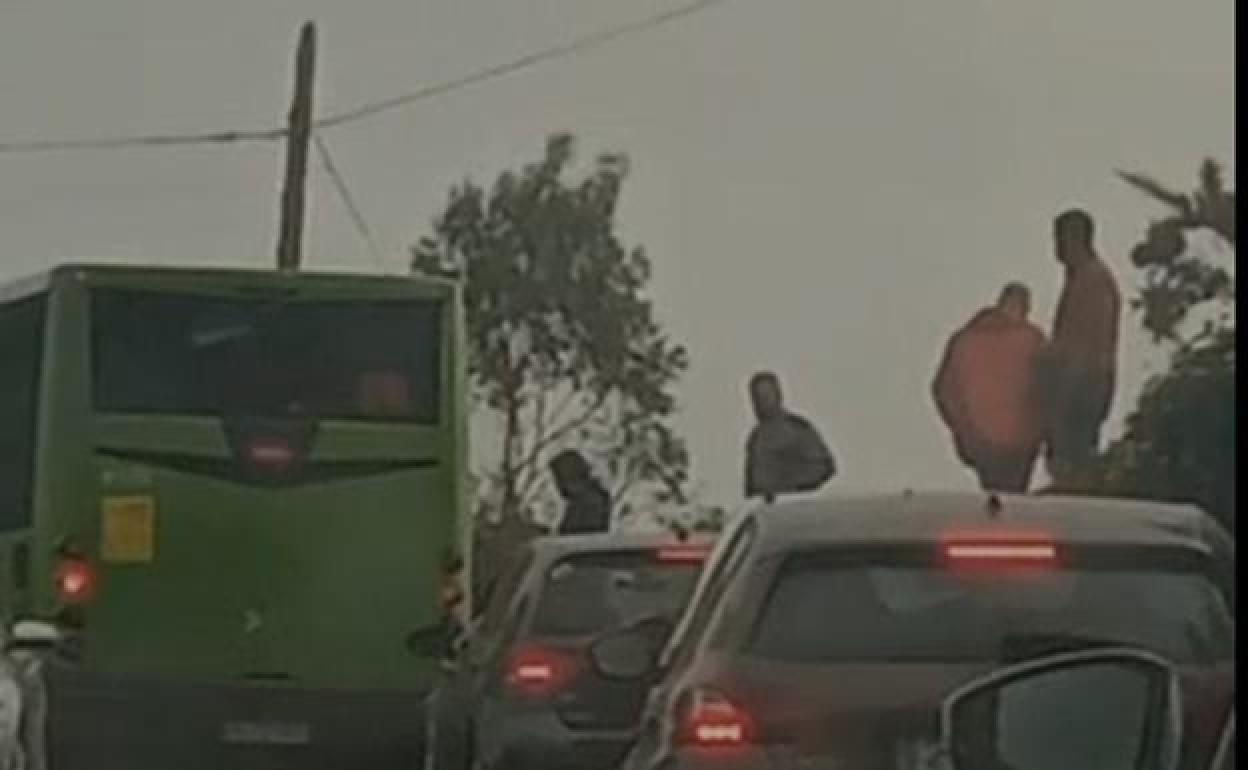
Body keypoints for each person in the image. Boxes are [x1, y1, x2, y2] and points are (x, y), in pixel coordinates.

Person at [932, 283, 1048, 493]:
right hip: (1021, 441)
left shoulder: (964, 340)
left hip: (983, 442)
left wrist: (965, 431)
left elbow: (944, 391)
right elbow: (1049, 387)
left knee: (994, 501)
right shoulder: (1032, 340)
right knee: (1014, 503)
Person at [1044, 209, 1122, 488]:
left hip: (1081, 388)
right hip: (1079, 386)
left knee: (1074, 467)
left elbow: (1087, 347)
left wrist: (1060, 403)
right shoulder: (1081, 278)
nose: (1056, 248)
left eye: (1059, 239)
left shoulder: (1093, 281)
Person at [744, 371, 836, 503]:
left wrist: (788, 486)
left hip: (791, 506)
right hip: (765, 510)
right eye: (757, 397)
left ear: (778, 395)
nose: (762, 402)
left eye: (767, 395)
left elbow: (823, 466)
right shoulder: (755, 438)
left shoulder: (796, 429)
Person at [550, 449, 611, 535]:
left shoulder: (591, 502)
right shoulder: (586, 500)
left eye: (560, 479)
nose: (559, 486)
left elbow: (576, 536)